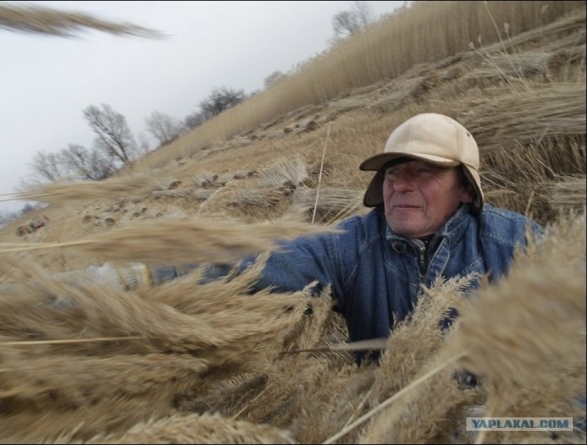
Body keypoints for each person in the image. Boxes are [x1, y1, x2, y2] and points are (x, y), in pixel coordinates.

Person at [148, 113, 544, 359]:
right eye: (392, 172)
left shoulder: (518, 246)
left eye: (424, 171)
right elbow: (256, 261)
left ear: (465, 190)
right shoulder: (352, 245)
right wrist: (143, 271)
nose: (401, 185)